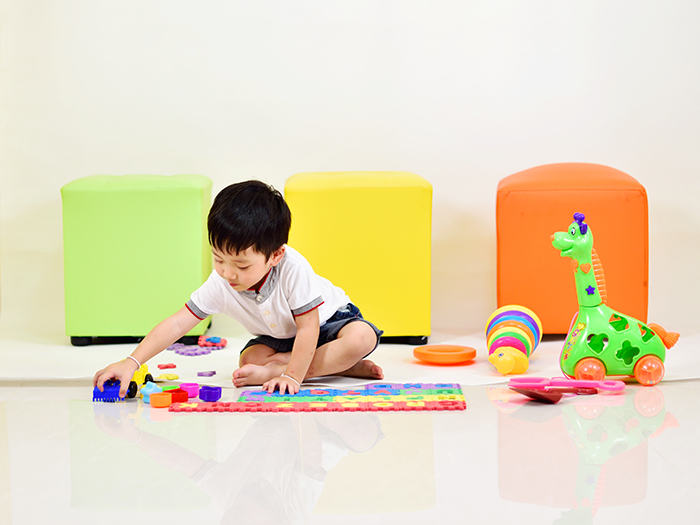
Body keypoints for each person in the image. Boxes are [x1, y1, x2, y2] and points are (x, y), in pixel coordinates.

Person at [93, 180, 384, 397]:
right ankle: (339, 365)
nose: (227, 273)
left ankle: (303, 365)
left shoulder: (293, 268)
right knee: (249, 360)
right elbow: (178, 323)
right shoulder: (221, 281)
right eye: (218, 258)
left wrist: (291, 377)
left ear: (275, 255)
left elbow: (308, 328)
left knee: (361, 337)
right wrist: (131, 362)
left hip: (327, 325)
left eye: (242, 265)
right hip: (282, 338)